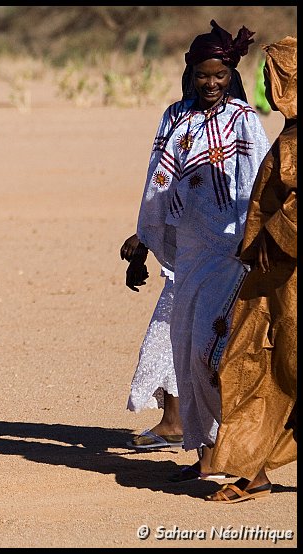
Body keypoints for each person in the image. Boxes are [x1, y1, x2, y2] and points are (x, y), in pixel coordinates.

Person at [132, 20, 271, 482]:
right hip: (188, 254)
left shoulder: (243, 120)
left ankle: (240, 459)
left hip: (230, 253)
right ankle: (207, 459)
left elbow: (258, 187)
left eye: (220, 75)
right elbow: (158, 181)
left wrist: (258, 245)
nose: (211, 84)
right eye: (202, 75)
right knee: (184, 353)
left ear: (231, 75)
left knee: (210, 354)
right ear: (189, 72)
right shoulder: (174, 115)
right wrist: (144, 240)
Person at [206, 36, 297, 504]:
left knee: (284, 365)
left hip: (288, 273)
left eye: (274, 77)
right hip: (270, 276)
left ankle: (254, 467)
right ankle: (249, 464)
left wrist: (273, 236)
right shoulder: (290, 133)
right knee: (247, 359)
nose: (267, 85)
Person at [120, 234, 183, 449]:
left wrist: (144, 236)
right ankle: (175, 423)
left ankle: (218, 448)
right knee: (168, 340)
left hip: (213, 256)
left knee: (201, 343)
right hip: (195, 256)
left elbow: (183, 202)